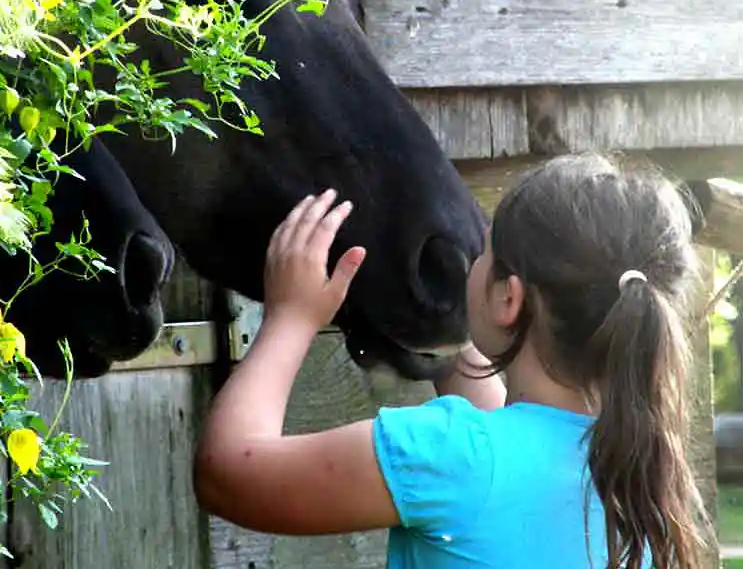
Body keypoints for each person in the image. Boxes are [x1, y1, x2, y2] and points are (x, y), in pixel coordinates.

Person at [193, 153, 710, 569]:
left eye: (482, 251)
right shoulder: (636, 468)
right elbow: (501, 449)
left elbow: (228, 473)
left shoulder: (447, 453)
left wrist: (292, 316)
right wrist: (449, 342)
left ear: (509, 299)